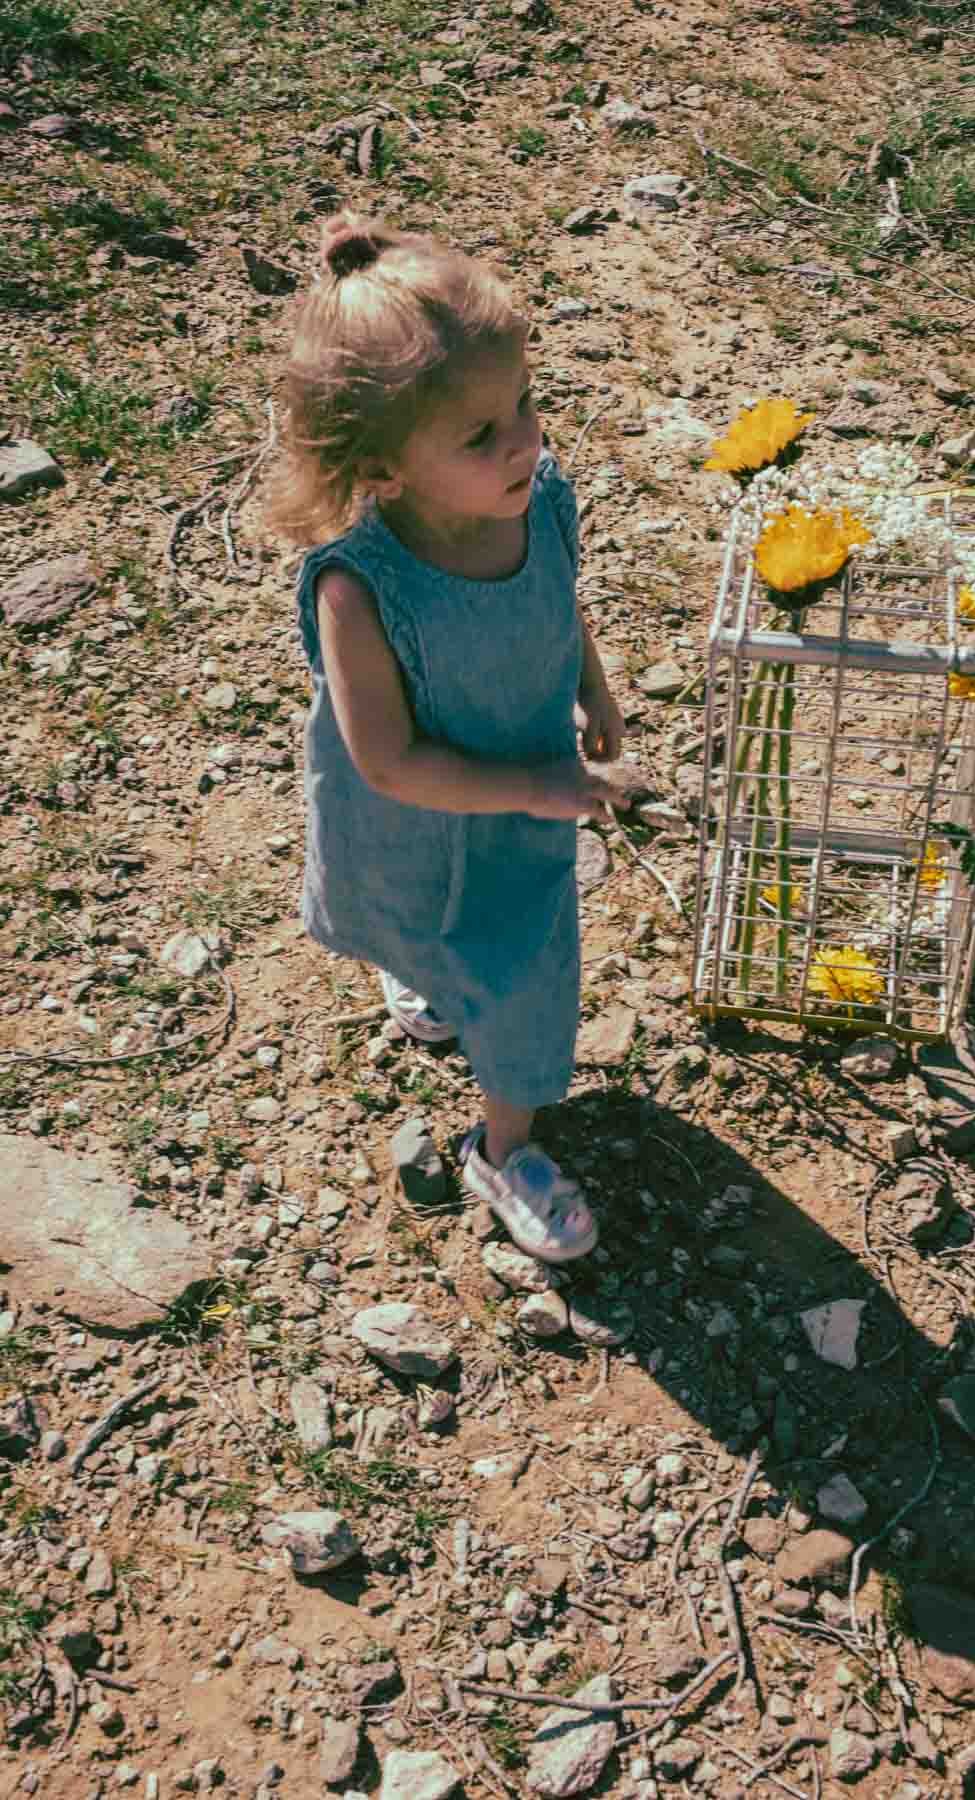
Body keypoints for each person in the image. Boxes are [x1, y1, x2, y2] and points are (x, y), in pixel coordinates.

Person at [266, 213, 627, 1264]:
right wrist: (531, 786)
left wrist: (592, 682)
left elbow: (560, 602)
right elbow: (386, 759)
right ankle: (432, 988)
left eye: (525, 403)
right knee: (416, 920)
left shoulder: (540, 499)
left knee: (523, 978)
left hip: (523, 807)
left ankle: (502, 1142)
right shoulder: (359, 587)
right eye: (480, 435)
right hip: (417, 817)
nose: (524, 441)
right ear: (380, 469)